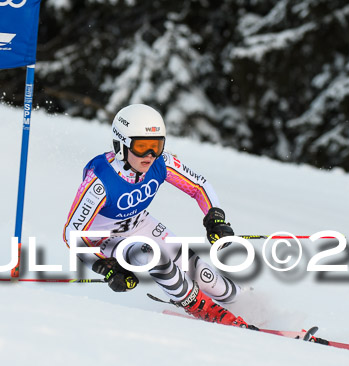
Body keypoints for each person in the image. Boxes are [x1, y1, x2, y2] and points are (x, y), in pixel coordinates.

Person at [63, 104, 253, 328]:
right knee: (149, 254)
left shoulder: (160, 163)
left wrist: (215, 218)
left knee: (205, 276)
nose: (150, 155)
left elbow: (199, 186)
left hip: (141, 225)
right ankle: (201, 307)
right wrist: (107, 267)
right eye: (142, 146)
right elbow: (72, 235)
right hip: (106, 240)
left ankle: (248, 305)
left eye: (156, 146)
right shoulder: (99, 183)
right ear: (121, 145)